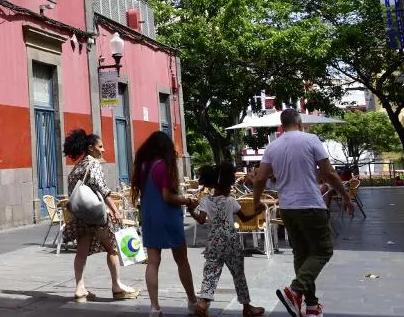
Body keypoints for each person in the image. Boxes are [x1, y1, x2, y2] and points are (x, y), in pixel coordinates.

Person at [249, 109, 354, 317]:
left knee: (302, 254)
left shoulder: (273, 146)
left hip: (287, 209)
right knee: (323, 250)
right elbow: (328, 172)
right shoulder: (311, 139)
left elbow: (260, 179)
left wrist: (256, 201)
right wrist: (345, 195)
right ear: (299, 122)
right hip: (311, 205)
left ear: (282, 124)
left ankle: (312, 306)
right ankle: (295, 291)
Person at [63, 129, 140, 302]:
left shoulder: (78, 167)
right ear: (91, 148)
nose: (103, 150)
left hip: (81, 216)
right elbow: (103, 190)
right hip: (97, 217)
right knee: (112, 248)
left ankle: (80, 288)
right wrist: (116, 211)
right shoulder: (93, 164)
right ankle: (117, 286)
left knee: (81, 252)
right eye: (100, 146)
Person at [131, 130, 198, 317]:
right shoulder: (163, 166)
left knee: (152, 262)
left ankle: (154, 307)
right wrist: (187, 200)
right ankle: (192, 300)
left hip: (150, 217)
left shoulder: (143, 166)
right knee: (181, 260)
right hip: (168, 217)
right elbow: (167, 197)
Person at [190, 163, 266, 317]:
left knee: (211, 272)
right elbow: (244, 219)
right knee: (238, 274)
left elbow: (201, 220)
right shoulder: (230, 201)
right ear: (227, 185)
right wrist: (257, 211)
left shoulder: (206, 200)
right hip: (231, 241)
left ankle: (203, 303)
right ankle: (247, 307)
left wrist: (191, 211)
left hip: (213, 242)